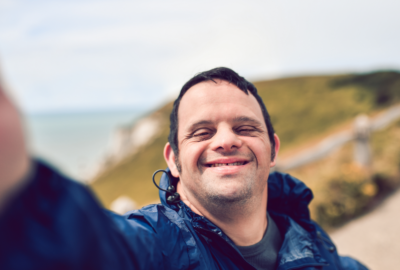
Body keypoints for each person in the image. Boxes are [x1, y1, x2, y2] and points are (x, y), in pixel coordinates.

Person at [0, 66, 368, 270]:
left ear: (272, 149)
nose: (225, 140)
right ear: (173, 160)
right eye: (202, 132)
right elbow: (91, 248)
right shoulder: (157, 244)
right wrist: (21, 195)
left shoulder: (307, 238)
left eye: (245, 128)